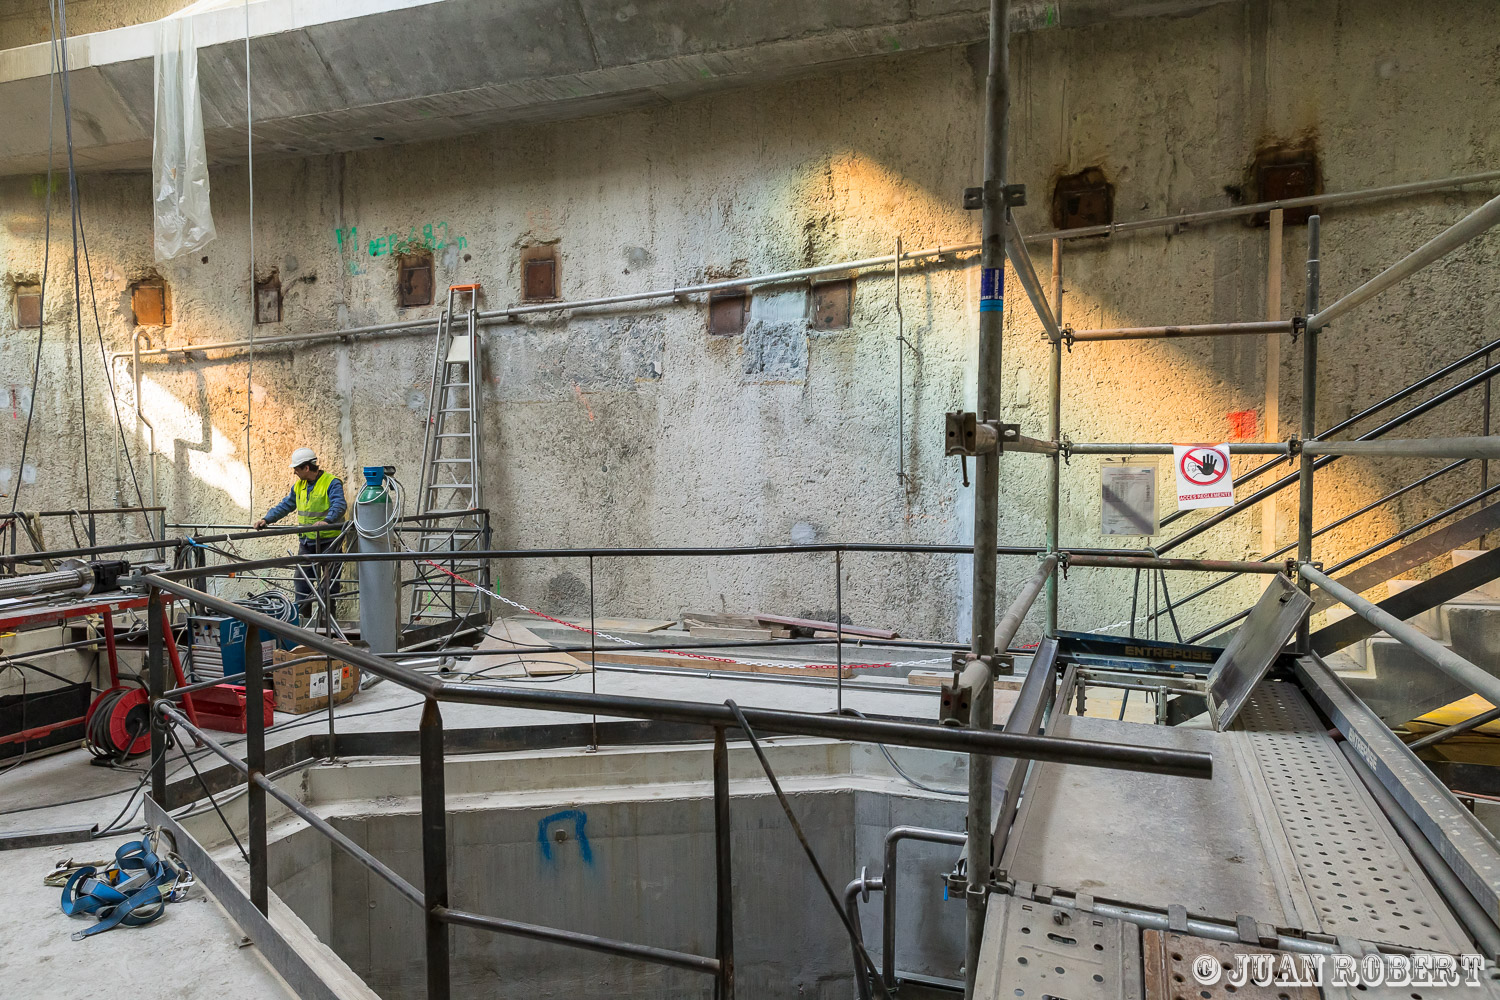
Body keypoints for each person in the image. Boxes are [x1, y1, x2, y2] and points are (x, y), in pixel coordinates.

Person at [254, 448, 346, 619]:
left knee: (328, 585)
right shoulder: (299, 486)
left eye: (296, 468)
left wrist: (326, 522)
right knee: (301, 583)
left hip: (329, 542)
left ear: (306, 468)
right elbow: (286, 505)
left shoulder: (331, 482)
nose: (294, 471)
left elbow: (339, 505)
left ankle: (327, 624)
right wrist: (267, 519)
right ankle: (303, 623)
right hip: (307, 543)